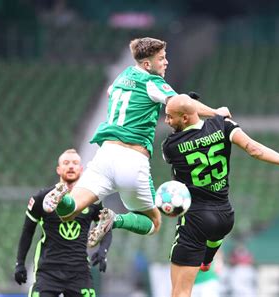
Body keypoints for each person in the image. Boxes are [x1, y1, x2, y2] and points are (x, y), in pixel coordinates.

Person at [41, 37, 231, 247]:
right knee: (154, 222)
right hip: (132, 159)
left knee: (68, 211)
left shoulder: (123, 76)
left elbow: (110, 90)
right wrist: (217, 114)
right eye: (161, 58)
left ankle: (61, 193)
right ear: (147, 64)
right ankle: (115, 219)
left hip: (104, 155)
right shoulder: (153, 82)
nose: (166, 62)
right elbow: (182, 106)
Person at [161, 94, 279, 297]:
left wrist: (215, 113)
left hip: (196, 219)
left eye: (169, 117)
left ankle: (206, 259)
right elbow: (254, 150)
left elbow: (192, 132)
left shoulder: (171, 145)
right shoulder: (222, 125)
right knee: (212, 241)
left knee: (180, 293)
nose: (166, 121)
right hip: (224, 216)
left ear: (185, 118)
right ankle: (207, 259)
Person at [14, 149, 112, 297]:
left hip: (79, 272)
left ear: (81, 169)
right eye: (66, 163)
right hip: (48, 271)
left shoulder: (91, 200)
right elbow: (28, 231)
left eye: (75, 163)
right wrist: (19, 263)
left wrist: (103, 250)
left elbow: (106, 226)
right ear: (58, 169)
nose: (71, 166)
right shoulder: (43, 198)